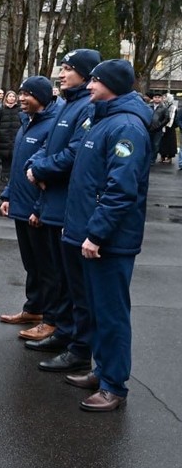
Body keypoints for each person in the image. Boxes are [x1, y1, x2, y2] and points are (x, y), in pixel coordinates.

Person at [61, 59, 151, 412]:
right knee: (98, 310)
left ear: (112, 84)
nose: (89, 86)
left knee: (112, 313)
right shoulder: (103, 119)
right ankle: (102, 371)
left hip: (110, 242)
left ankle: (114, 386)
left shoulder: (127, 127)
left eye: (95, 80)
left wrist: (96, 234)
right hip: (92, 235)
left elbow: (120, 190)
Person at [23, 48, 101, 363]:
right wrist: (35, 165)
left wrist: (40, 170)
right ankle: (64, 333)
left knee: (70, 282)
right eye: (62, 68)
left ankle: (73, 341)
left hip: (67, 204)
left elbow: (73, 154)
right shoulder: (67, 105)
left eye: (68, 68)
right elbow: (46, 146)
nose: (61, 74)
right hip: (52, 203)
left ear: (85, 73)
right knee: (61, 276)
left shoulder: (85, 108)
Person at [0, 77, 59, 329]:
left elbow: (51, 174)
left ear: (42, 97)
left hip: (37, 211)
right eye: (21, 93)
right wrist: (8, 195)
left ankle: (50, 316)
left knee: (46, 267)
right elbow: (18, 166)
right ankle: (33, 309)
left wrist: (38, 208)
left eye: (28, 94)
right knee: (30, 264)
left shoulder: (53, 126)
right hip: (20, 206)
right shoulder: (28, 122)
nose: (21, 98)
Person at [0, 91, 22, 184]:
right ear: (6, 98)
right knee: (5, 158)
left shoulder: (19, 110)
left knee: (14, 158)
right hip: (4, 138)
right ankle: (4, 175)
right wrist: (0, 132)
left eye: (13, 96)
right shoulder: (2, 110)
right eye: (9, 96)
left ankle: (12, 176)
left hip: (15, 137)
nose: (11, 98)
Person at [147, 91, 170, 164]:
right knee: (147, 144)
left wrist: (160, 125)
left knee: (155, 145)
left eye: (158, 97)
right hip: (148, 128)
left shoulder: (164, 108)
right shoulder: (148, 106)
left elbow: (167, 118)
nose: (157, 99)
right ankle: (147, 159)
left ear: (161, 99)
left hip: (158, 130)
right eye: (155, 97)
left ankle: (152, 159)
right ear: (153, 98)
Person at [158, 92, 177, 163]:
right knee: (162, 142)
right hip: (163, 126)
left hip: (170, 127)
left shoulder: (173, 107)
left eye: (165, 97)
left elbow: (174, 118)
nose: (164, 99)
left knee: (170, 143)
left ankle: (170, 157)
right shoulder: (163, 106)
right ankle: (162, 156)